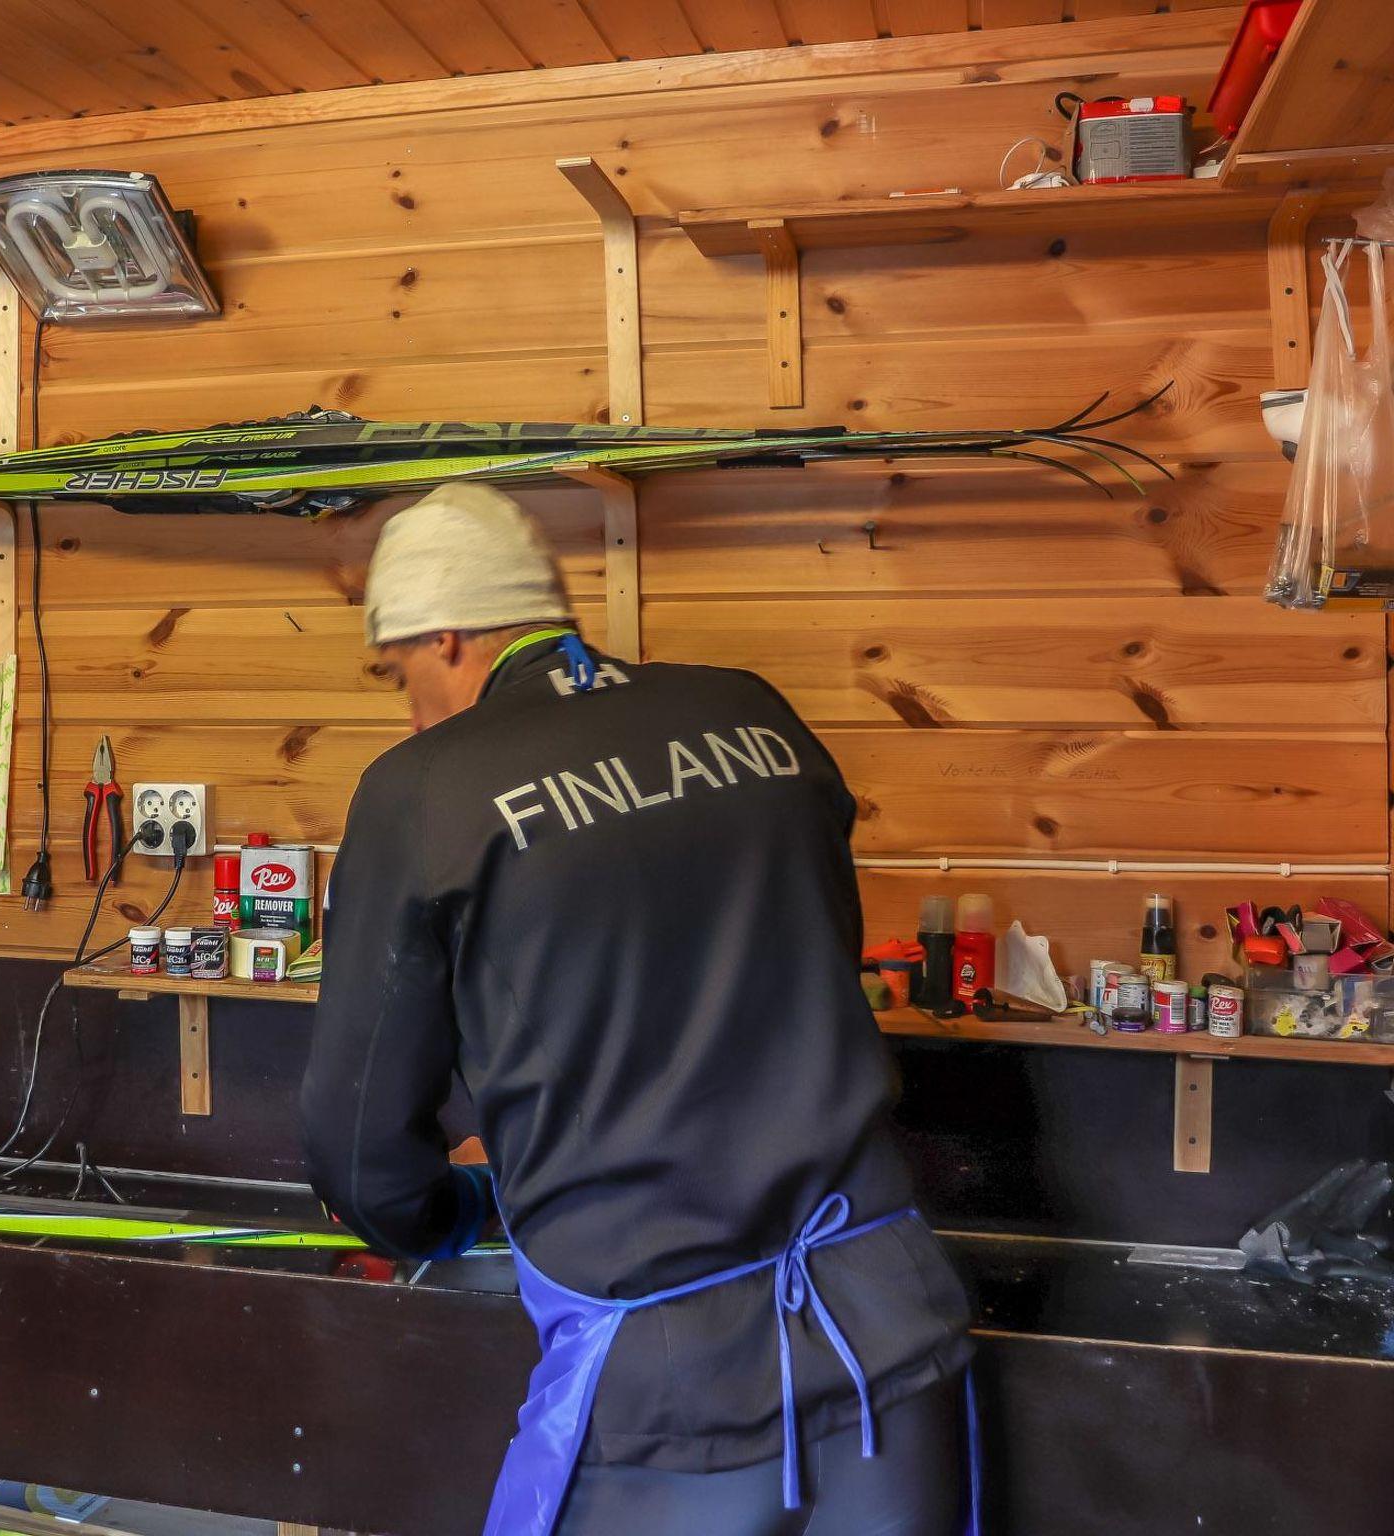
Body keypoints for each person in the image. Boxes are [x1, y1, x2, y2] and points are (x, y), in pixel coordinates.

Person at [299, 482, 976, 1536]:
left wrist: (456, 1213)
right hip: (893, 1333)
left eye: (400, 675)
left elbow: (355, 1149)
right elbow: (777, 969)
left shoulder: (421, 788)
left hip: (665, 1388)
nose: (408, 707)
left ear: (445, 638)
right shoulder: (753, 716)